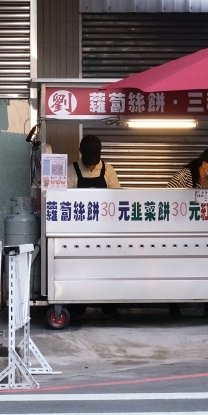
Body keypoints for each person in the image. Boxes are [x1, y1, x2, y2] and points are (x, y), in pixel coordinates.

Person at [166, 148, 208, 319]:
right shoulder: (186, 175)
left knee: (205, 266)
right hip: (178, 229)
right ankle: (174, 305)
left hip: (199, 231)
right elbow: (167, 197)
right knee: (178, 268)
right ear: (204, 163)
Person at [67, 135, 120, 318]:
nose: (91, 165)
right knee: (80, 270)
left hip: (105, 231)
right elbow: (65, 201)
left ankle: (109, 306)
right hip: (79, 232)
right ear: (81, 153)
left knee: (107, 268)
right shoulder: (71, 171)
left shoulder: (108, 170)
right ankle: (77, 306)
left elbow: (117, 198)